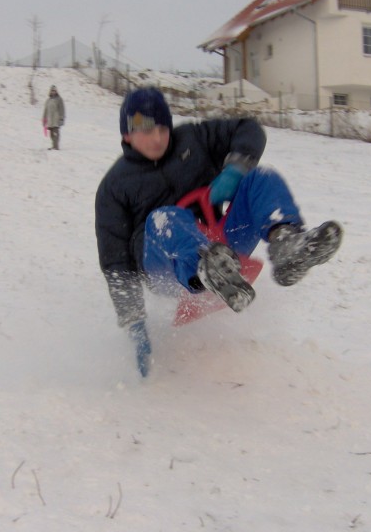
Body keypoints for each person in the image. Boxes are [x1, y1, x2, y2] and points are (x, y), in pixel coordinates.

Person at [95, 87, 342, 377]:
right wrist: (134, 321)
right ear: (127, 135)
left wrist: (236, 167)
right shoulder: (115, 186)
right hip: (165, 264)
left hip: (220, 242)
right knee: (164, 217)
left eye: (162, 129)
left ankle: (286, 242)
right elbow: (115, 263)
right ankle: (205, 267)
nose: (158, 138)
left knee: (260, 176)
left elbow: (248, 128)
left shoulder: (193, 139)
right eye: (147, 132)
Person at [42, 85, 66, 150]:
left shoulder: (59, 99)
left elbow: (62, 109)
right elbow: (46, 110)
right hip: (50, 120)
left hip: (56, 120)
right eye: (52, 91)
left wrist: (61, 118)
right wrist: (44, 119)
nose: (53, 92)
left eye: (54, 91)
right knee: (51, 134)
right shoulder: (48, 100)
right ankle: (53, 146)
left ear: (56, 91)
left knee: (56, 133)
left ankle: (56, 146)